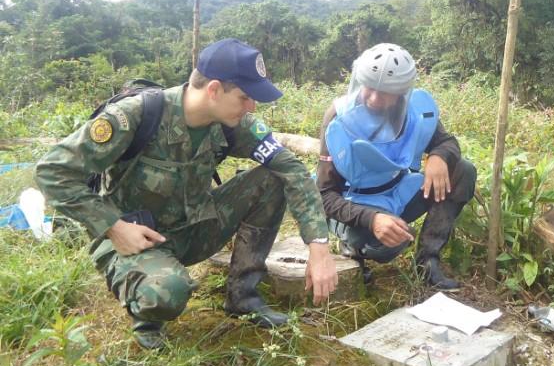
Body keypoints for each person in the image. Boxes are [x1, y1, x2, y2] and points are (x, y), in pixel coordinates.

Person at [35, 38, 338, 349]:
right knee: (168, 291)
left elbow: (293, 170)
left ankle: (243, 297)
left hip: (193, 228)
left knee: (272, 178)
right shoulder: (136, 116)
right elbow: (51, 171)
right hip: (133, 241)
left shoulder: (233, 124)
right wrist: (114, 227)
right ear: (214, 90)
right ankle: (148, 313)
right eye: (245, 97)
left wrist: (319, 246)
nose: (252, 107)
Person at [317, 43, 476, 289]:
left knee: (463, 170)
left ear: (402, 93)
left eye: (384, 93)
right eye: (369, 87)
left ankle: (428, 261)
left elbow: (446, 142)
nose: (372, 98)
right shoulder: (338, 119)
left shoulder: (415, 112)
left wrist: (439, 156)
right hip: (355, 204)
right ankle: (354, 248)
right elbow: (325, 195)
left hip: (397, 192)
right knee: (387, 247)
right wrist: (372, 219)